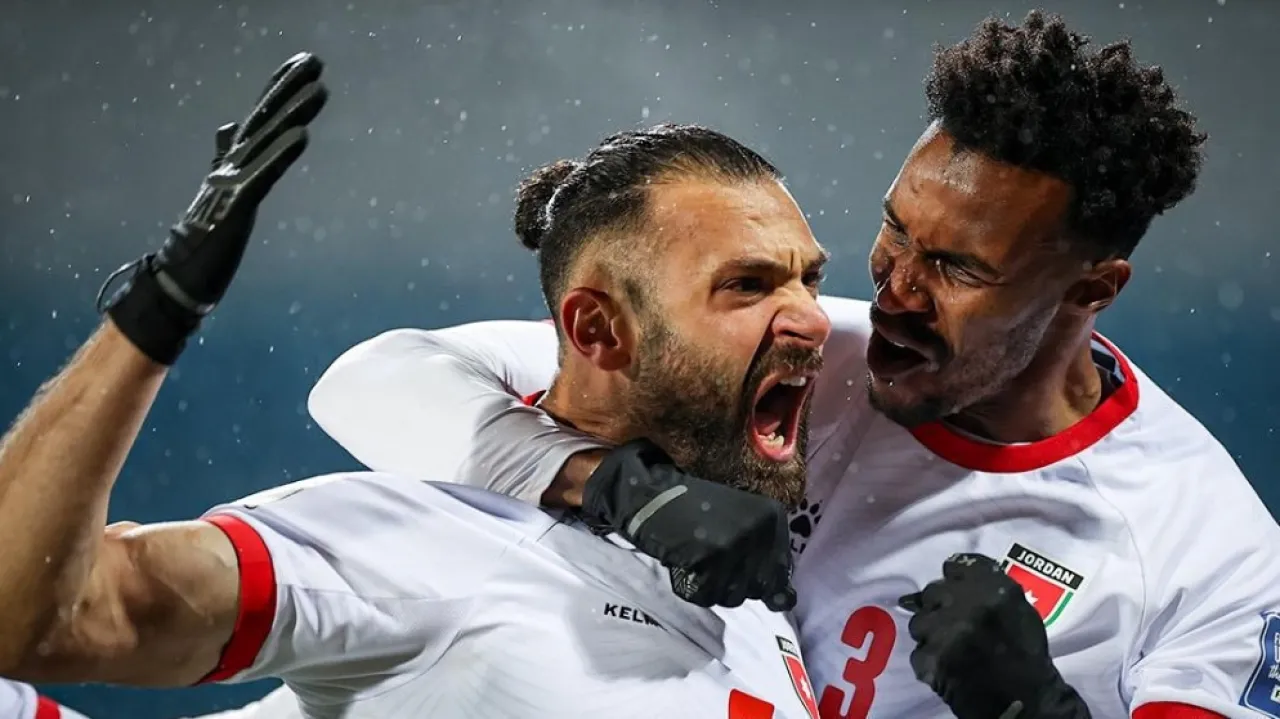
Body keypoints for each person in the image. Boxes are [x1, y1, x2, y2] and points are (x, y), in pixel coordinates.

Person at [308, 11, 1280, 719]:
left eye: (955, 268)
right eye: (895, 232)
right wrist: (612, 484)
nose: (896, 290)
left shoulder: (1209, 555)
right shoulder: (811, 350)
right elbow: (371, 383)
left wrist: (1037, 711)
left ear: (1090, 289)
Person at [0, 53, 831, 718]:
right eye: (747, 285)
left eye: (810, 280)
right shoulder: (427, 543)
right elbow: (31, 617)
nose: (812, 320)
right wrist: (155, 315)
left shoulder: (751, 599)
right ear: (597, 331)